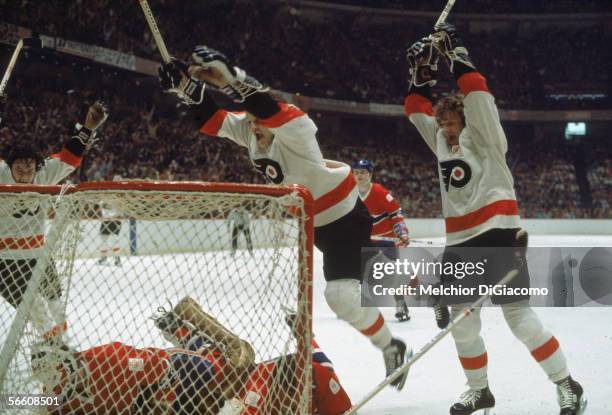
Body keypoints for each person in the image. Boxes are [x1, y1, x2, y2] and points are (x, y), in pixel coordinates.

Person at [156, 46, 411, 389]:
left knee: (340, 297)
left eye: (259, 121)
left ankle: (392, 345)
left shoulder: (298, 130)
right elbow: (212, 120)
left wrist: (232, 79)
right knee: (342, 295)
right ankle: (390, 317)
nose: (253, 128)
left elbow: (266, 107)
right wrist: (187, 89)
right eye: (251, 122)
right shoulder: (252, 128)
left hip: (346, 219)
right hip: (315, 224)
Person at [404, 23, 586, 415]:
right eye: (444, 124)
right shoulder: (441, 144)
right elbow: (417, 111)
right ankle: (479, 390)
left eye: (452, 122)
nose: (446, 129)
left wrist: (456, 56)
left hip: (498, 234)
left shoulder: (486, 137)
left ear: (466, 122)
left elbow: (478, 92)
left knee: (519, 317)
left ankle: (566, 383)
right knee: (463, 323)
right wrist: (420, 74)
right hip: (459, 244)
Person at [32, 297, 351, 415]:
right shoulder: (55, 396)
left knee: (229, 357)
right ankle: (186, 327)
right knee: (228, 358)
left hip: (197, 379)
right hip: (204, 383)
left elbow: (175, 364)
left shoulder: (108, 360)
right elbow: (20, 403)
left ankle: (184, 324)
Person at [0, 101, 108, 339]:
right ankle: (54, 350)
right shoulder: (1, 172)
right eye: (19, 164)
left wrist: (89, 126)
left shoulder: (43, 173)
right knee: (35, 309)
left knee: (56, 305)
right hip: (5, 260)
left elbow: (70, 157)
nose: (26, 170)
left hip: (38, 255)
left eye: (30, 164)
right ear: (9, 165)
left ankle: (64, 347)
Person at [352, 159, 411, 322]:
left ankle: (400, 304)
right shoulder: (350, 193)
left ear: (370, 175)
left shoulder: (379, 191)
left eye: (363, 172)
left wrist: (402, 232)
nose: (359, 176)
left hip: (386, 240)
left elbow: (396, 214)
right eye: (356, 173)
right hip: (366, 242)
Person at [97, 175, 123, 266]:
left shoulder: (120, 195)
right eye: (115, 180)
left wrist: (113, 217)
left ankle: (117, 259)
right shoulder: (108, 192)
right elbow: (101, 205)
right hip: (106, 220)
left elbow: (121, 211)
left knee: (113, 238)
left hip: (114, 220)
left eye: (118, 181)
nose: (116, 182)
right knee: (103, 238)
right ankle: (104, 258)